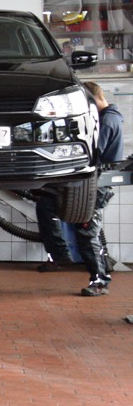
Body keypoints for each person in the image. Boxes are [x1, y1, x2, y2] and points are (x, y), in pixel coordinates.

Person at [78, 81, 123, 297]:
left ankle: (100, 281)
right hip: (97, 181)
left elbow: (94, 154)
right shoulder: (111, 117)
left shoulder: (106, 121)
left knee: (88, 231)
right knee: (88, 231)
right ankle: (101, 275)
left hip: (99, 182)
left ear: (93, 99)